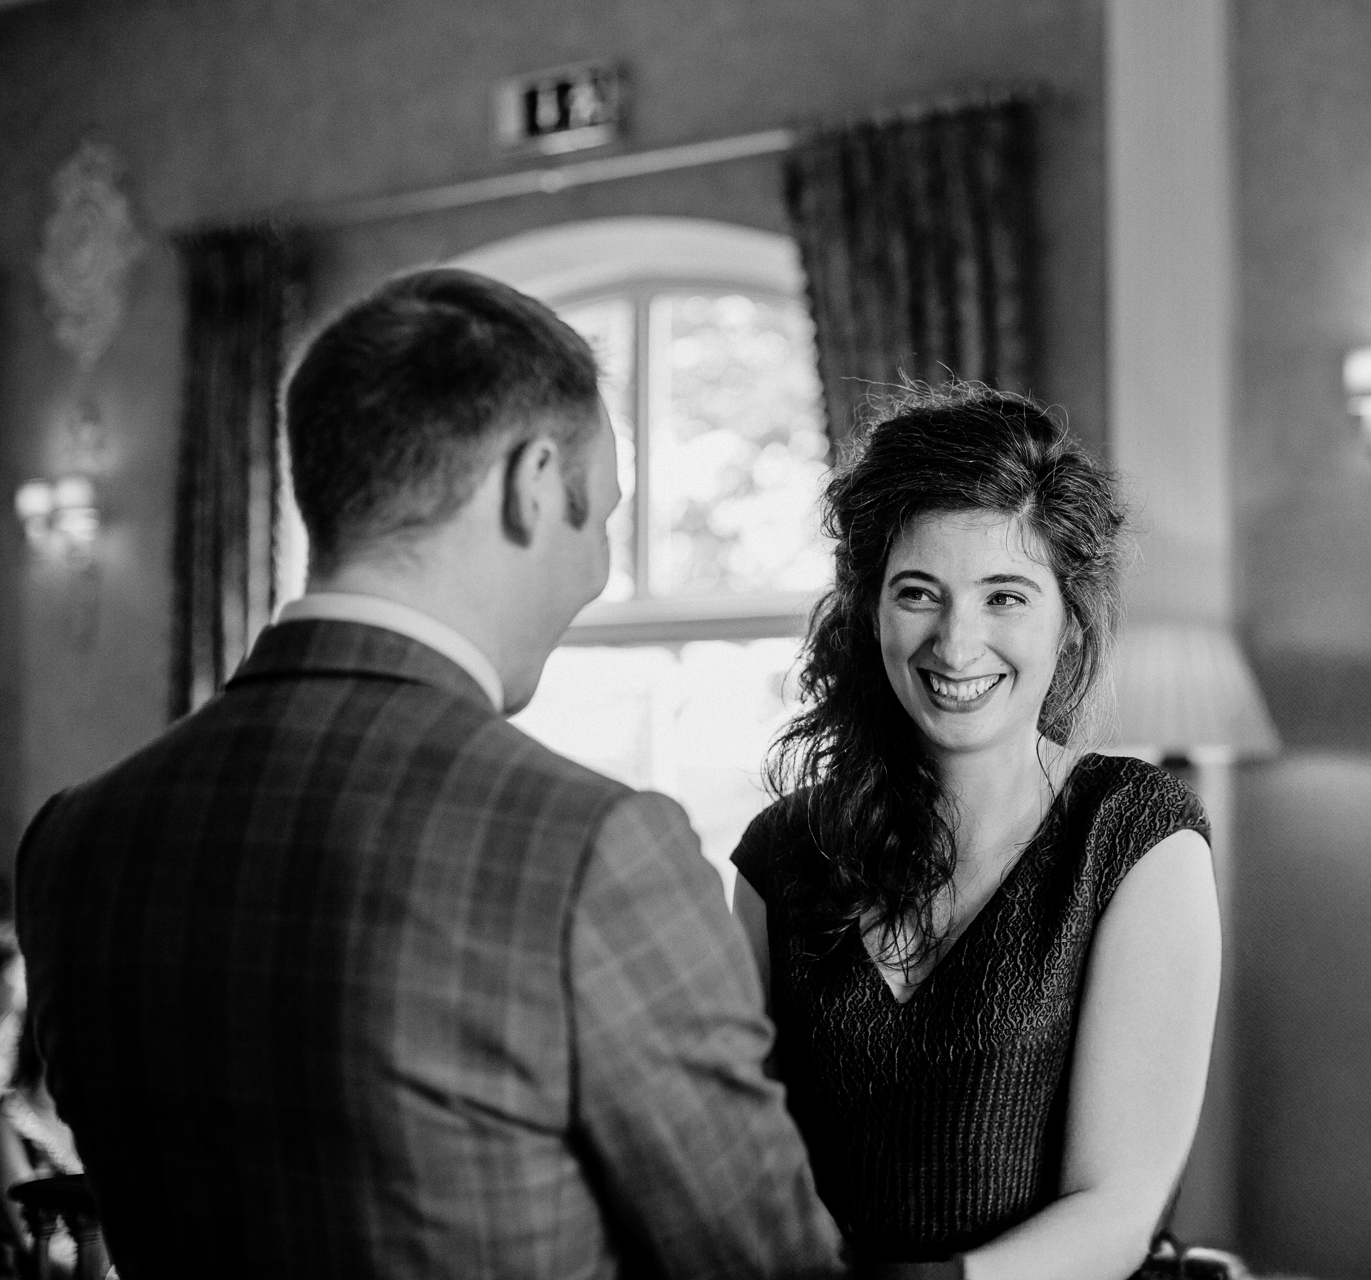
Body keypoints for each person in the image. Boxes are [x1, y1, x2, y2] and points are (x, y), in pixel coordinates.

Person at [13, 268, 844, 1279]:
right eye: (602, 516)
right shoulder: (594, 850)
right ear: (534, 483)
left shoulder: (74, 839)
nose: (596, 569)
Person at [731, 385, 1222, 1280]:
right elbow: (737, 1160)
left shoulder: (1136, 836)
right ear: (869, 609)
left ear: (1070, 622)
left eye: (1005, 598)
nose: (956, 646)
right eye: (919, 593)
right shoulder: (779, 853)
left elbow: (1115, 1211)